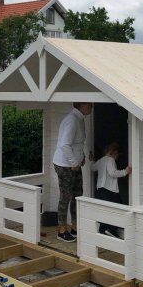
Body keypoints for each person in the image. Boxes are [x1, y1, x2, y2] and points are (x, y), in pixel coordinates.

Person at [53, 102, 93, 242]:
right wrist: (74, 162)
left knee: (77, 195)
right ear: (82, 106)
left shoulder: (80, 119)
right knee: (66, 196)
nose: (92, 106)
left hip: (74, 165)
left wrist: (80, 156)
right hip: (65, 165)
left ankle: (75, 227)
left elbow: (77, 143)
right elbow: (65, 144)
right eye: (90, 104)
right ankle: (61, 230)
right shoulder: (72, 120)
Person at [91, 142, 131, 238]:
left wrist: (91, 160)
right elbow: (112, 173)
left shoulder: (101, 160)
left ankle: (104, 228)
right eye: (117, 153)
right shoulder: (110, 160)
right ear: (113, 152)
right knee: (118, 208)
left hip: (100, 189)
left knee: (105, 209)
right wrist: (125, 171)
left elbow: (92, 168)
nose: (117, 156)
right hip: (109, 189)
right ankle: (109, 229)